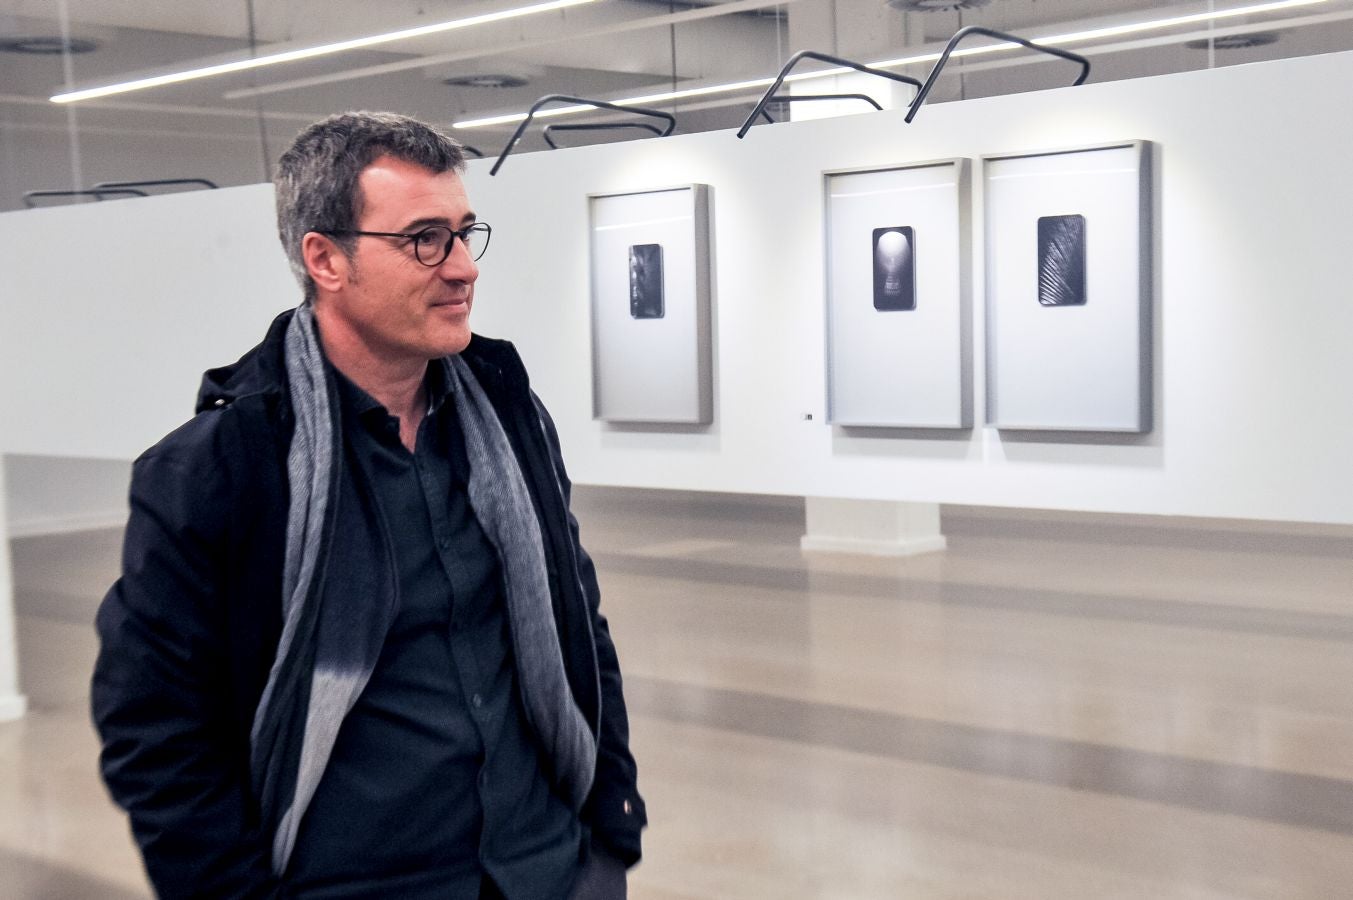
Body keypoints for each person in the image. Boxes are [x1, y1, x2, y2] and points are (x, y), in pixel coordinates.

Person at [91, 111, 645, 899]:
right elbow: (155, 729)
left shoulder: (507, 414)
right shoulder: (220, 469)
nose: (462, 268)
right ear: (325, 259)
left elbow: (576, 623)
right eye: (424, 239)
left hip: (542, 867)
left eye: (463, 232)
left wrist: (609, 830)